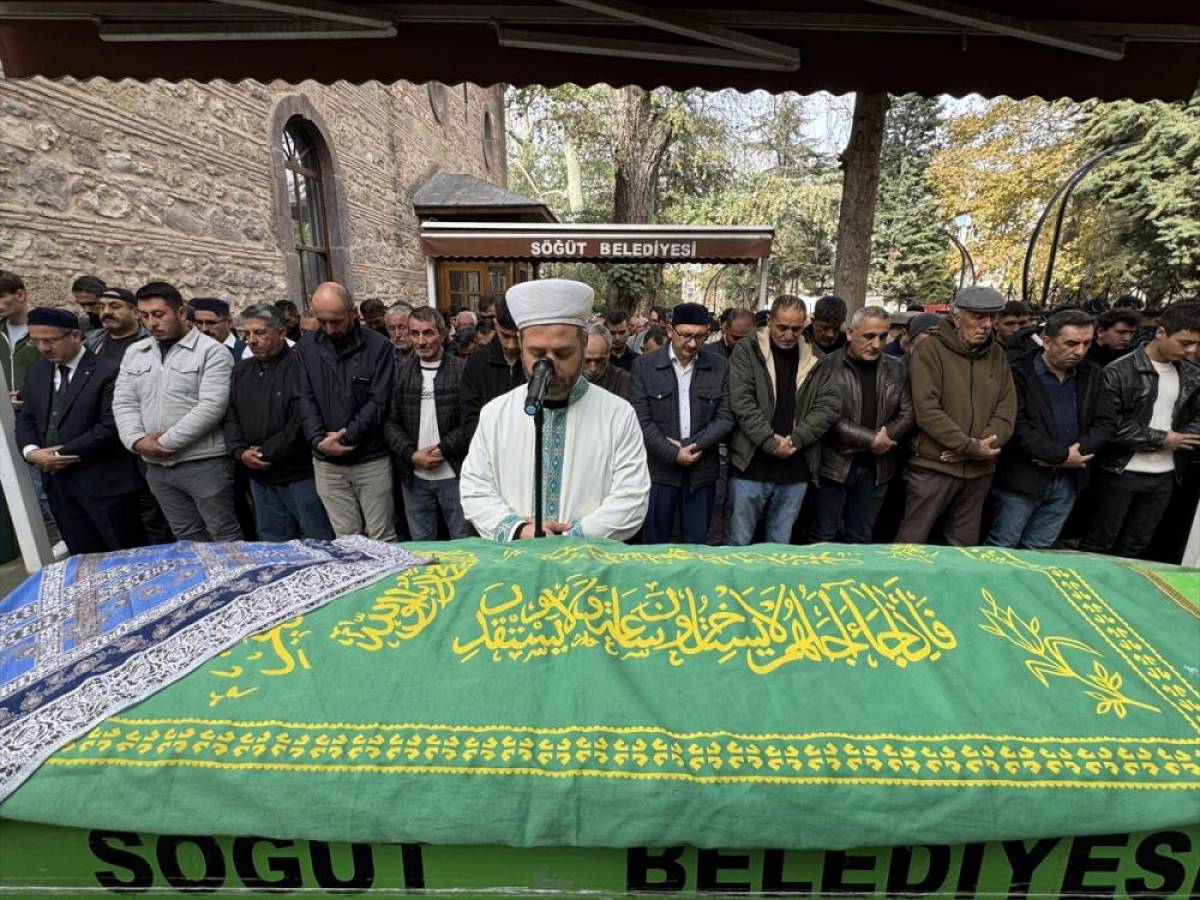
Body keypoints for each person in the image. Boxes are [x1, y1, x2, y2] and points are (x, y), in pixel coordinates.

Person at [460, 279, 650, 541]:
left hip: (588, 559)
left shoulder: (618, 415)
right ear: (520, 344)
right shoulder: (495, 414)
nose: (548, 366)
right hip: (515, 558)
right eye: (537, 352)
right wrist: (518, 529)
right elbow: (475, 489)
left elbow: (632, 498)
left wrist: (572, 536)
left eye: (563, 354)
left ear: (584, 344)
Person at [113, 281, 241, 542]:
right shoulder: (136, 352)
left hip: (204, 462)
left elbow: (212, 405)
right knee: (186, 535)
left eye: (159, 314)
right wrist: (136, 441)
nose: (151, 323)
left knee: (223, 534)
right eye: (144, 316)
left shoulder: (211, 352)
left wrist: (164, 443)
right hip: (156, 466)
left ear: (181, 313)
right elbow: (124, 402)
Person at [16, 307, 146, 554]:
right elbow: (27, 418)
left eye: (50, 340)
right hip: (59, 487)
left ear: (75, 336)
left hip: (105, 484)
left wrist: (58, 455)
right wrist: (31, 452)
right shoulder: (37, 371)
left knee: (126, 554)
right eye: (36, 341)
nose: (43, 348)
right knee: (83, 558)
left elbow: (109, 426)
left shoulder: (108, 371)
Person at [984, 310, 1114, 550]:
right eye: (1071, 343)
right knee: (1002, 545)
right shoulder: (1017, 372)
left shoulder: (1092, 374)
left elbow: (1105, 422)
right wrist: (1059, 455)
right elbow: (1015, 424)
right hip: (1021, 479)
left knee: (1039, 549)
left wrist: (1075, 454)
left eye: (1086, 343)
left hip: (1070, 480)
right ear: (1047, 341)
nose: (1080, 351)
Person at [897, 286, 1016, 546]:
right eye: (978, 316)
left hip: (979, 470)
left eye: (991, 317)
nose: (987, 325)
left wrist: (981, 447)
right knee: (911, 544)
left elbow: (1007, 408)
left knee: (963, 548)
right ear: (956, 317)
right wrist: (968, 446)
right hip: (934, 465)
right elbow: (927, 410)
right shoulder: (930, 350)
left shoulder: (997, 354)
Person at [1081, 301, 1200, 558]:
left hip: (1166, 475)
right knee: (1099, 544)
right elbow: (1109, 426)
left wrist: (1185, 438)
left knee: (1136, 546)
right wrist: (1161, 439)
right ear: (1161, 332)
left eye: (1196, 344)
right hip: (1119, 472)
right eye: (1185, 343)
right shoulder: (1119, 371)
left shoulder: (1192, 375)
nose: (1191, 350)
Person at [727, 294, 840, 545]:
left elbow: (828, 407)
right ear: (769, 321)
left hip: (796, 467)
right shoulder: (747, 350)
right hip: (751, 464)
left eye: (796, 329)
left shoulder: (817, 359)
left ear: (805, 324)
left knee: (780, 546)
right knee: (739, 543)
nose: (789, 335)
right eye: (782, 327)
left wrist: (796, 439)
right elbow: (742, 402)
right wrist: (769, 441)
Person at [296, 281, 396, 541]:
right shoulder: (306, 347)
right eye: (322, 321)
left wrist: (347, 437)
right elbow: (304, 397)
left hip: (370, 458)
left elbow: (379, 401)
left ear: (353, 313)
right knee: (346, 539)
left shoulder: (378, 347)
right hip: (326, 462)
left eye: (336, 321)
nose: (330, 329)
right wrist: (319, 439)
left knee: (382, 536)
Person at [224, 304, 333, 542]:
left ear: (281, 332)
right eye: (247, 334)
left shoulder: (301, 367)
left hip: (298, 474)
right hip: (258, 477)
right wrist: (240, 451)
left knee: (317, 539)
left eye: (260, 333)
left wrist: (266, 453)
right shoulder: (241, 371)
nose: (252, 341)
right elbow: (231, 415)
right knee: (272, 542)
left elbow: (301, 419)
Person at [629, 302, 733, 544]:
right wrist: (672, 453)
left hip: (702, 471)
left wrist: (692, 446)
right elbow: (640, 419)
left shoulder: (719, 366)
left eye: (700, 337)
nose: (693, 344)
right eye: (686, 335)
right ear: (669, 330)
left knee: (696, 547)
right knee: (655, 546)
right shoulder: (644, 366)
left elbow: (725, 417)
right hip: (659, 472)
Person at [810, 307, 914, 543]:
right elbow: (827, 416)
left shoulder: (896, 367)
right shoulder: (827, 366)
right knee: (824, 535)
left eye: (883, 336)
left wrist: (881, 440)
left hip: (877, 468)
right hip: (834, 466)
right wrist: (870, 440)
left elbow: (908, 413)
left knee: (861, 538)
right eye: (869, 336)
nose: (876, 344)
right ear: (850, 333)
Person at [384, 307, 470, 540]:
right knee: (422, 545)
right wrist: (411, 455)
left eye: (428, 333)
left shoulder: (462, 370)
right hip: (414, 478)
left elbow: (471, 421)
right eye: (415, 333)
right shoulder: (401, 373)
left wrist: (443, 449)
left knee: (464, 542)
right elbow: (390, 422)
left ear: (443, 334)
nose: (421, 341)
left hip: (455, 475)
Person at [460, 296, 525, 445]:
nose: (511, 344)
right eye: (505, 335)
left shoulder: (535, 362)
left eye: (518, 337)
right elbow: (469, 416)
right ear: (496, 325)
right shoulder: (477, 363)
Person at [84, 287, 148, 362]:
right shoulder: (91, 339)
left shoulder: (150, 342)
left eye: (115, 306)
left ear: (136, 313)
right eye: (101, 307)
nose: (106, 312)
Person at [190, 297, 247, 361]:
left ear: (229, 322)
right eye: (199, 323)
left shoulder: (246, 352)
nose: (204, 329)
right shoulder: (190, 350)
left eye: (211, 323)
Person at [583, 323, 630, 399]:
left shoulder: (623, 381)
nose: (593, 368)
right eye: (587, 361)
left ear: (609, 353)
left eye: (599, 361)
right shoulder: (569, 379)